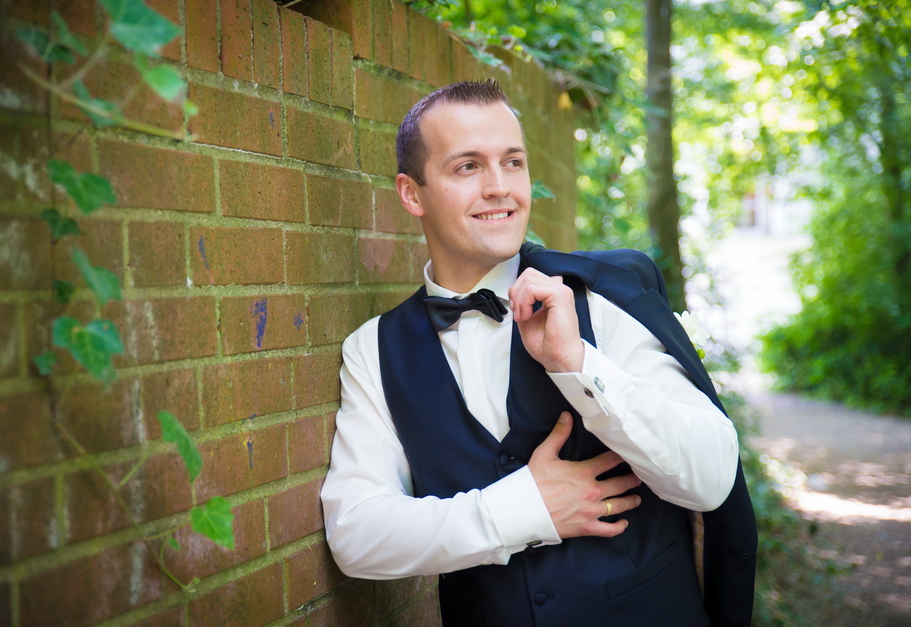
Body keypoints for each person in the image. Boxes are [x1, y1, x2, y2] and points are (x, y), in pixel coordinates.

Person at [321, 80, 757, 626]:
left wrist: (579, 365)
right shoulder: (373, 349)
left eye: (513, 162)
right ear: (412, 194)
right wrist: (524, 509)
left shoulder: (603, 297)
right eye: (467, 167)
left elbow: (713, 478)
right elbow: (356, 535)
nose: (500, 187)